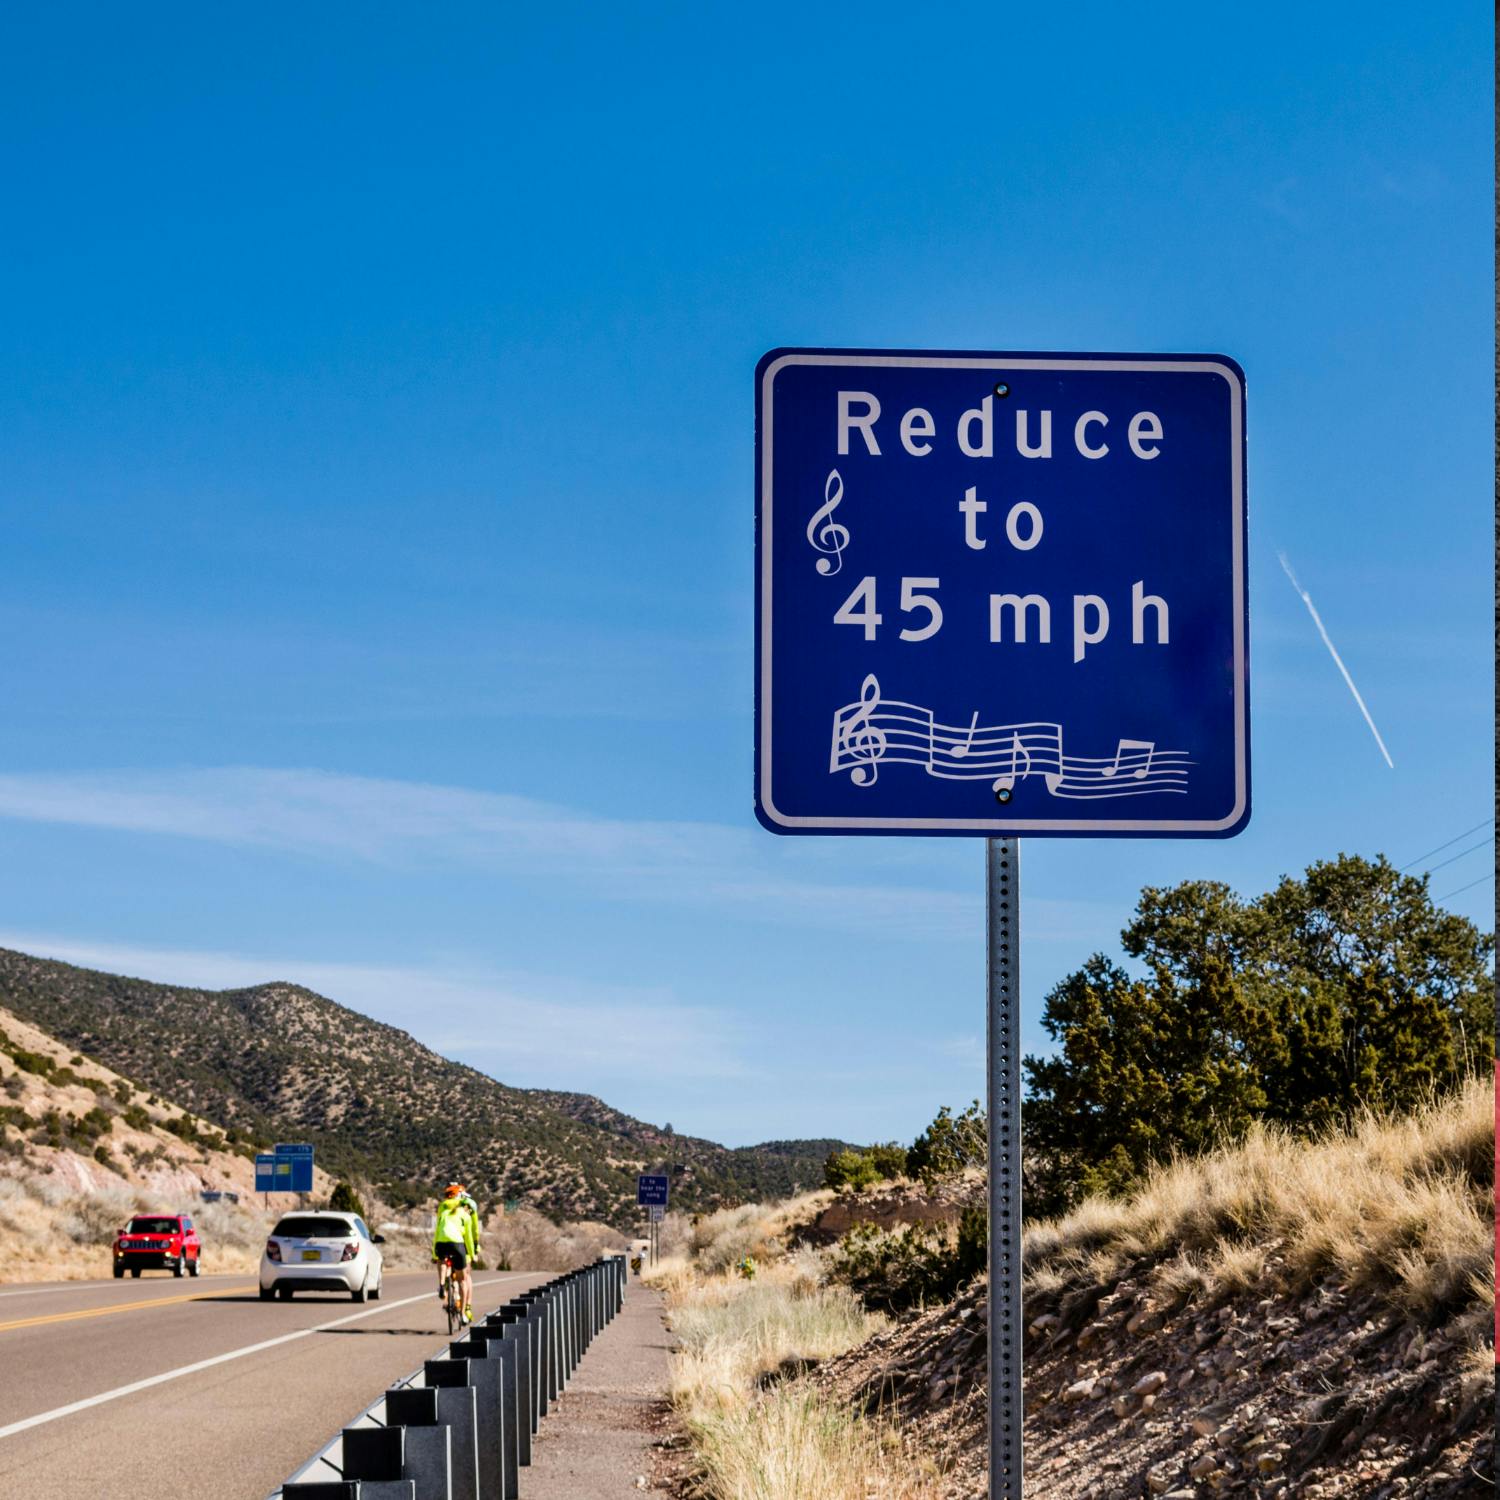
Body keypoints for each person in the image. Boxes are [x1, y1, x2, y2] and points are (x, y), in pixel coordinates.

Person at [432, 1182, 479, 1323]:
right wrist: (473, 1252)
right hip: (460, 1244)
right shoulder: (467, 1210)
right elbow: (472, 1233)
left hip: (441, 1243)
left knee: (442, 1261)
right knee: (464, 1278)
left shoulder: (443, 1209)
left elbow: (437, 1231)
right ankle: (465, 1310)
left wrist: (434, 1254)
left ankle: (442, 1285)